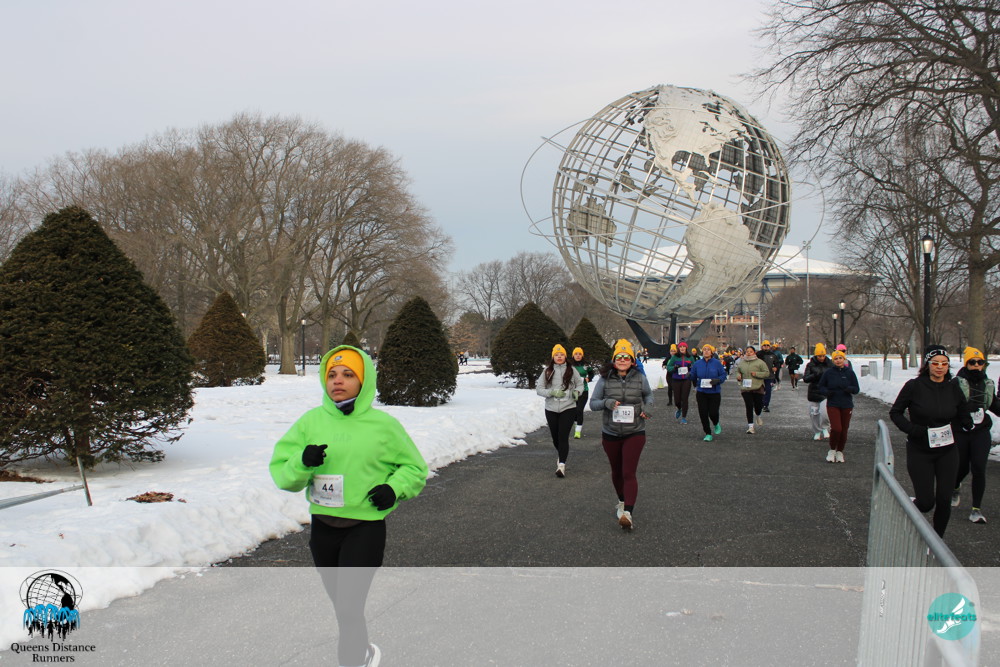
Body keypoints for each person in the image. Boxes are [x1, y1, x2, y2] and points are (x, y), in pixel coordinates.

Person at [270, 345, 429, 667]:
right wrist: (302, 462)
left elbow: (415, 468)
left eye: (348, 374)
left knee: (348, 608)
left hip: (364, 528)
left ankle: (354, 661)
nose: (338, 381)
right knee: (343, 608)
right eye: (331, 374)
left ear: (364, 380)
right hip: (323, 529)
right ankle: (363, 651)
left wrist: (393, 488)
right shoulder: (310, 423)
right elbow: (283, 475)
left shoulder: (383, 425)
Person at [889, 345, 972, 537]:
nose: (940, 367)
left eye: (944, 363)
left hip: (947, 450)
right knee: (926, 502)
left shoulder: (953, 388)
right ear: (927, 365)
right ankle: (909, 510)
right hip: (920, 450)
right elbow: (895, 413)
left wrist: (967, 422)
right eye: (935, 363)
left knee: (944, 500)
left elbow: (962, 411)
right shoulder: (914, 386)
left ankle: (936, 542)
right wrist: (914, 430)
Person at [590, 339, 653, 531]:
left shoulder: (640, 378)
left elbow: (648, 396)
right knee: (617, 471)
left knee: (628, 472)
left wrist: (648, 407)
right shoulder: (604, 379)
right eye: (619, 357)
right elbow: (593, 403)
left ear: (632, 361)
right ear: (614, 360)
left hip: (635, 431)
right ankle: (622, 501)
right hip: (610, 432)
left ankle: (628, 513)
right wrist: (607, 403)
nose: (623, 360)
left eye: (626, 357)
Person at [951, 347, 1000, 523]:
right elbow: (950, 405)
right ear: (966, 364)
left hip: (981, 431)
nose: (977, 365)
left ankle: (976, 509)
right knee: (962, 466)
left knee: (979, 467)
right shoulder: (956, 383)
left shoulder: (987, 384)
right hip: (961, 431)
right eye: (973, 362)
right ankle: (955, 487)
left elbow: (994, 405)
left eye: (980, 362)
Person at [536, 343, 585, 478]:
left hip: (568, 407)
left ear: (565, 356)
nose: (559, 357)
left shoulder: (572, 370)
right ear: (553, 357)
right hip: (551, 408)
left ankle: (561, 465)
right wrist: (552, 392)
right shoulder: (547, 371)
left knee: (563, 436)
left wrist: (576, 392)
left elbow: (580, 385)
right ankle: (562, 454)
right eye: (556, 355)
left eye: (561, 354)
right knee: (555, 438)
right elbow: (539, 389)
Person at [817, 350, 860, 462]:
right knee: (836, 428)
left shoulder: (850, 373)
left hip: (847, 404)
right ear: (833, 361)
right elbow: (821, 387)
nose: (838, 360)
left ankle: (840, 451)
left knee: (844, 430)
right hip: (833, 403)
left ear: (844, 359)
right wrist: (827, 392)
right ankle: (832, 450)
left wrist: (849, 389)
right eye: (836, 359)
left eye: (840, 358)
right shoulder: (829, 373)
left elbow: (856, 389)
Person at [689, 343, 727, 441]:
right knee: (703, 413)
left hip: (714, 392)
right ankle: (708, 433)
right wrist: (689, 375)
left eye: (708, 349)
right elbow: (693, 375)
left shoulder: (717, 363)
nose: (706, 351)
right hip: (701, 392)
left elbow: (723, 375)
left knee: (713, 413)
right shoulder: (697, 363)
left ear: (712, 352)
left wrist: (718, 380)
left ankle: (716, 423)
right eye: (704, 349)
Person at [735, 345, 770, 434]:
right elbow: (737, 371)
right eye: (747, 351)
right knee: (749, 406)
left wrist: (757, 374)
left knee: (758, 405)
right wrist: (738, 376)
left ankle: (758, 414)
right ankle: (751, 426)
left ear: (754, 352)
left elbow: (766, 373)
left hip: (757, 387)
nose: (749, 353)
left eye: (751, 351)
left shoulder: (760, 362)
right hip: (745, 388)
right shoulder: (742, 362)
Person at [803, 344, 834, 441]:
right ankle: (817, 431)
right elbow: (805, 378)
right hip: (814, 392)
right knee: (814, 414)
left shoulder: (830, 364)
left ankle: (825, 427)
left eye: (823, 356)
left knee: (825, 413)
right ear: (816, 356)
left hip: (825, 392)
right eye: (819, 356)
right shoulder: (810, 365)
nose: (821, 358)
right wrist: (815, 375)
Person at [666, 341, 696, 424]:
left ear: (686, 348)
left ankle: (684, 417)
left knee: (685, 398)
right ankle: (679, 408)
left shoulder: (690, 357)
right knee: (677, 400)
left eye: (684, 347)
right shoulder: (675, 357)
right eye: (680, 347)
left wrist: (691, 368)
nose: (682, 348)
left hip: (686, 380)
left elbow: (694, 368)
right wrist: (674, 368)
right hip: (676, 380)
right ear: (678, 348)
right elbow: (668, 367)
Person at [570, 346, 595, 439]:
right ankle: (576, 424)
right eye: (576, 354)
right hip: (574, 391)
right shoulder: (570, 366)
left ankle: (578, 431)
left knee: (579, 410)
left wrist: (589, 378)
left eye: (580, 354)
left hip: (584, 391)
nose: (578, 356)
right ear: (573, 356)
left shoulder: (586, 365)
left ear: (582, 355)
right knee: (574, 411)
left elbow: (592, 373)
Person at [757, 341, 779, 412]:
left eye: (767, 345)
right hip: (759, 376)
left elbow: (777, 363)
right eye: (764, 345)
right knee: (759, 391)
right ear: (762, 346)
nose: (766, 347)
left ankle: (765, 405)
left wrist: (776, 367)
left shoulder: (773, 355)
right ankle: (758, 403)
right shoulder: (758, 354)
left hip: (770, 376)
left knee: (768, 391)